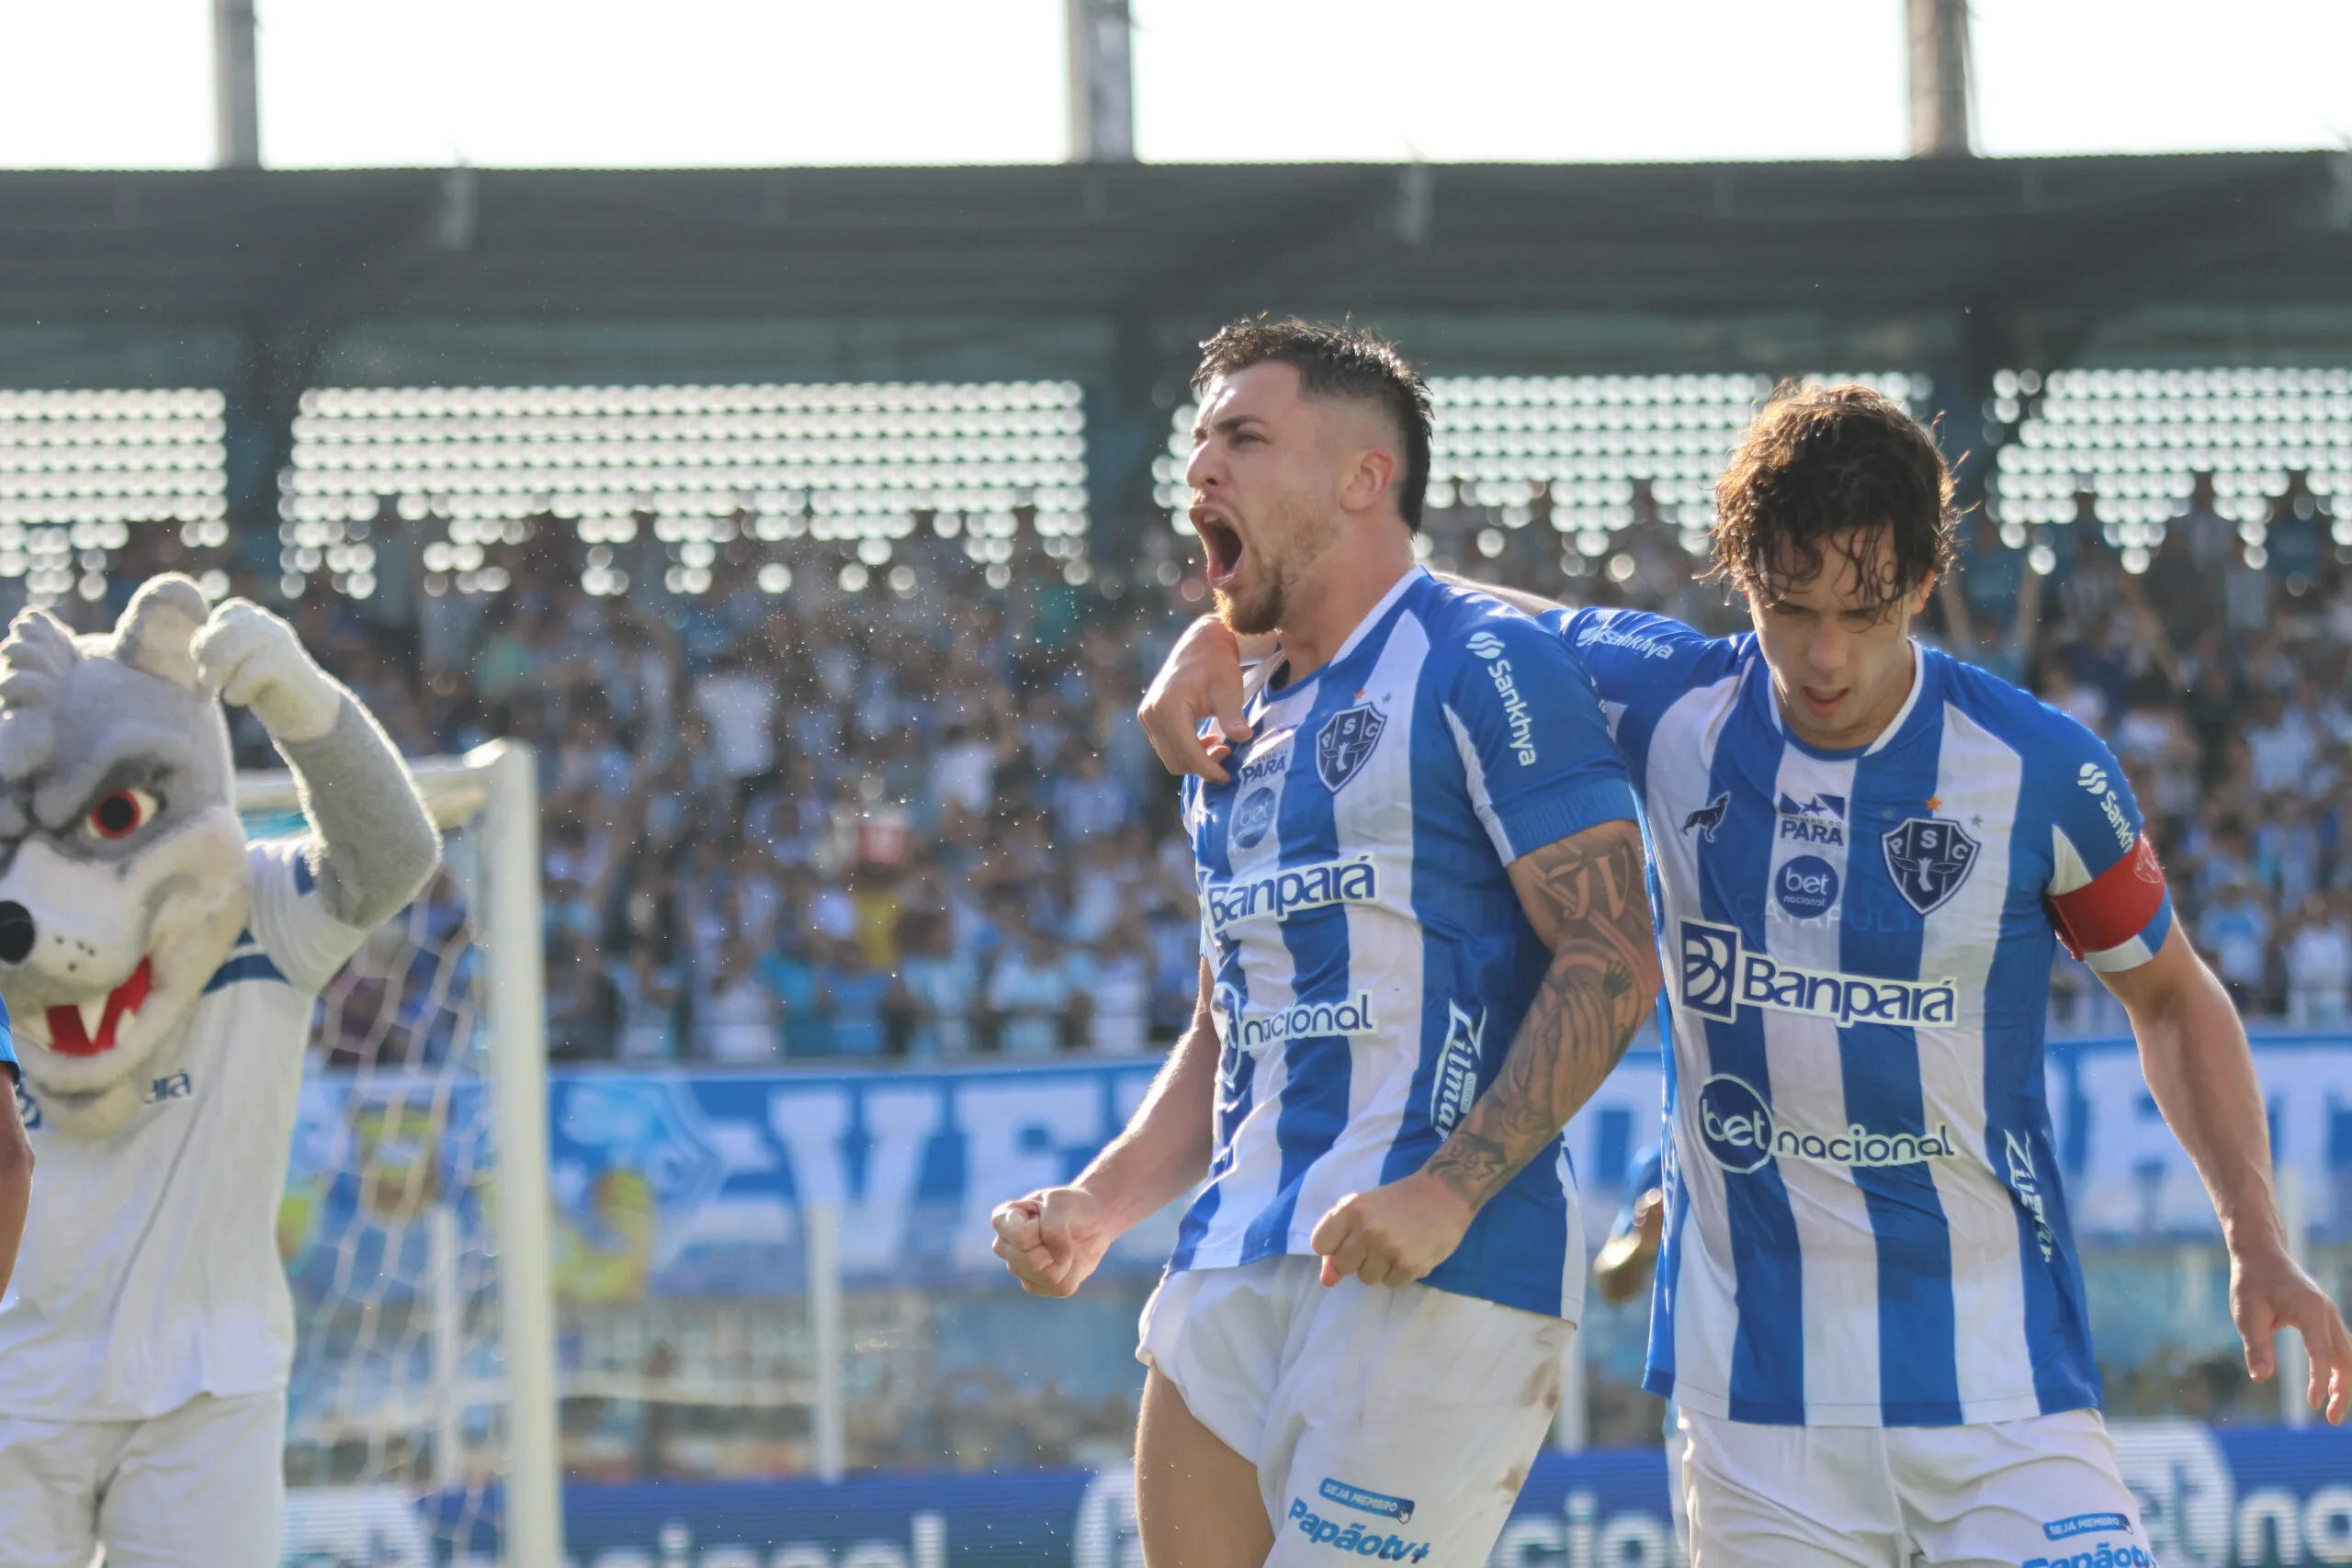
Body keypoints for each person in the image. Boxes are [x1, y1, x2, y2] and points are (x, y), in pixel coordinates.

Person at [1140, 379, 2351, 1564]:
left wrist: (2257, 1232)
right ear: (1742, 573)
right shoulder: (1662, 701)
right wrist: (1230, 623)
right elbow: (1407, 605)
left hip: (2007, 1388)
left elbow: (2174, 998)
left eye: (1865, 612)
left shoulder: (2042, 772)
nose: (1823, 654)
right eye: (1790, 606)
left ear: (1925, 584)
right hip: (1758, 1412)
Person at [991, 321, 1659, 1568]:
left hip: (1436, 1254)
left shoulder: (1483, 661)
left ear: (1365, 477)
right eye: (1198, 442)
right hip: (1233, 1251)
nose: (1202, 468)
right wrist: (1104, 1202)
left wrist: (1453, 1188)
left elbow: (1616, 948)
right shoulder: (1225, 727)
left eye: (1243, 437)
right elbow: (1226, 1023)